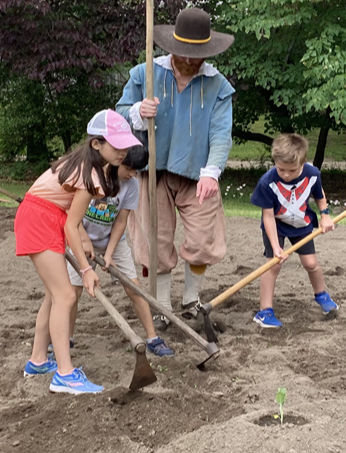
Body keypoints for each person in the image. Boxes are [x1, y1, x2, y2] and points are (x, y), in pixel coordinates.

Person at [116, 8, 235, 330]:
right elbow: (120, 114)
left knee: (203, 240)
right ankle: (163, 306)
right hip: (152, 171)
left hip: (198, 176)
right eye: (186, 54)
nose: (192, 60)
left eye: (199, 55)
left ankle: (191, 300)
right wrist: (138, 111)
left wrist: (212, 171)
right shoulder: (145, 75)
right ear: (172, 48)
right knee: (154, 241)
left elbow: (221, 134)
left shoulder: (218, 86)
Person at [15, 109, 142, 393]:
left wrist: (85, 245)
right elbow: (72, 226)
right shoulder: (90, 175)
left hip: (45, 215)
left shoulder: (85, 164)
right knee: (65, 295)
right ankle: (65, 374)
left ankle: (38, 359)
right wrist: (85, 270)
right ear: (97, 144)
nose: (123, 151)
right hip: (41, 219)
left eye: (126, 145)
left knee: (53, 293)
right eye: (117, 145)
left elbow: (71, 220)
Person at [65, 147, 174, 356]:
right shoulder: (93, 177)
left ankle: (152, 338)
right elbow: (72, 217)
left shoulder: (132, 185)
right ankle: (66, 338)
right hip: (81, 237)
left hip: (113, 240)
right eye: (130, 169)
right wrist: (85, 241)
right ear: (118, 161)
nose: (133, 174)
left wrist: (109, 253)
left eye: (137, 171)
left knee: (134, 287)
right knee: (72, 292)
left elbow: (121, 221)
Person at [250, 133, 338, 328]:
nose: (286, 175)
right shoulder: (267, 182)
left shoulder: (313, 174)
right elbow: (268, 217)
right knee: (273, 265)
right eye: (281, 169)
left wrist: (325, 215)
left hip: (301, 224)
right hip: (276, 226)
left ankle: (321, 295)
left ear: (303, 163)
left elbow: (319, 194)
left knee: (311, 263)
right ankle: (264, 311)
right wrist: (276, 247)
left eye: (292, 170)